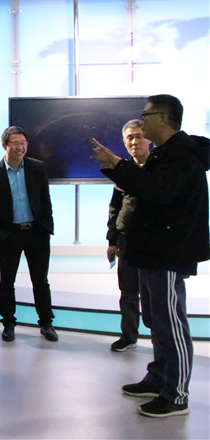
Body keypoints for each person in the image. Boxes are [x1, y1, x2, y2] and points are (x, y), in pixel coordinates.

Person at [91, 94, 209, 418]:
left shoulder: (181, 155)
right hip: (152, 251)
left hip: (168, 253)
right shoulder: (166, 153)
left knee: (171, 323)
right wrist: (117, 165)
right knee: (157, 322)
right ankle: (159, 378)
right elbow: (148, 188)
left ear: (163, 118)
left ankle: (177, 394)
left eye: (146, 116)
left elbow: (157, 191)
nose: (142, 123)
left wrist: (117, 164)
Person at [0, 126, 57, 343]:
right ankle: (8, 323)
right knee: (7, 281)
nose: (20, 147)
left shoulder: (37, 167)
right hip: (9, 235)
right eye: (15, 143)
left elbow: (45, 200)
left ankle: (46, 323)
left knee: (40, 280)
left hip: (36, 232)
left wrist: (47, 226)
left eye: (23, 143)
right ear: (4, 145)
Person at [106, 119, 151, 352]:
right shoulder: (123, 170)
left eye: (139, 136)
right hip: (126, 241)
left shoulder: (159, 168)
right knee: (128, 293)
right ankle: (129, 336)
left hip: (154, 242)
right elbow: (115, 208)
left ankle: (160, 339)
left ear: (149, 138)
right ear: (124, 142)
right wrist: (112, 241)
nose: (135, 142)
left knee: (155, 295)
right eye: (130, 138)